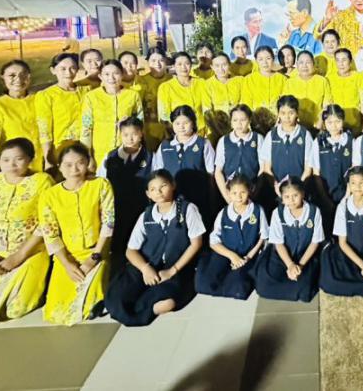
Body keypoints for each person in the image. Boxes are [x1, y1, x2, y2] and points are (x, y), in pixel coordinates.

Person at [0, 138, 54, 324]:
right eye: (5, 160)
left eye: (18, 159)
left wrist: (18, 256)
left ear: (30, 159)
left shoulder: (42, 181)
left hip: (31, 251)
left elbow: (46, 224)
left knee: (15, 308)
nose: (11, 165)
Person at [105, 169, 205, 326]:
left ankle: (139, 310)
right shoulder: (146, 216)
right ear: (148, 194)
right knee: (116, 296)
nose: (158, 192)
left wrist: (172, 271)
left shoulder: (188, 209)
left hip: (175, 269)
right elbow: (131, 251)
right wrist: (145, 269)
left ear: (173, 185)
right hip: (147, 265)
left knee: (168, 301)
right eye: (153, 189)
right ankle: (138, 309)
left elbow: (196, 243)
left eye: (163, 186)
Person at [38, 142, 114, 325]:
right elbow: (50, 233)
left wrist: (94, 258)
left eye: (80, 163)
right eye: (68, 164)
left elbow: (108, 223)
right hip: (67, 256)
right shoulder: (49, 196)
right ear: (60, 167)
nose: (74, 169)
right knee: (55, 312)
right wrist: (67, 263)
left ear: (88, 162)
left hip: (96, 252)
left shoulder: (100, 185)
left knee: (88, 305)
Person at [319, 166, 363, 298]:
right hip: (348, 255)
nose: (357, 187)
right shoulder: (343, 207)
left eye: (361, 183)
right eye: (353, 183)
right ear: (348, 185)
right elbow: (342, 243)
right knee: (328, 284)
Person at [195, 174, 268, 300]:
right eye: (234, 193)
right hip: (225, 252)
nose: (238, 197)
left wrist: (248, 257)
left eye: (243, 192)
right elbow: (213, 241)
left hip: (247, 255)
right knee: (204, 284)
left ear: (250, 190)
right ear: (228, 193)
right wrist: (232, 256)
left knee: (238, 288)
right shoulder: (223, 213)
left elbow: (263, 237)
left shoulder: (258, 211)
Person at [254, 177, 324, 302]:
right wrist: (290, 265)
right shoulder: (277, 213)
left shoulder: (314, 211)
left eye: (295, 195)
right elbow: (278, 244)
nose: (291, 200)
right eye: (286, 197)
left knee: (305, 291)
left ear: (303, 194)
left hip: (305, 256)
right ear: (281, 197)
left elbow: (315, 242)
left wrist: (300, 266)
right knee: (263, 286)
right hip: (283, 255)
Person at [96, 117, 152, 275]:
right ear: (120, 135)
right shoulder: (110, 157)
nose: (130, 138)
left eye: (134, 134)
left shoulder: (150, 157)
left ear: (141, 134)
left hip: (139, 207)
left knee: (137, 243)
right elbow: (100, 181)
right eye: (125, 134)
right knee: (117, 246)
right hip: (116, 208)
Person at [152, 105, 216, 223]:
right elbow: (158, 175)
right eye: (177, 123)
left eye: (185, 123)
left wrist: (211, 200)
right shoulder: (164, 146)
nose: (181, 127)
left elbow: (211, 173)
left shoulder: (203, 144)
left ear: (193, 123)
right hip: (172, 201)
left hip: (198, 200)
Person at [0, 59, 43, 172]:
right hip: (14, 168)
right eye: (12, 75)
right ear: (3, 78)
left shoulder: (40, 99)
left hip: (44, 164)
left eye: (23, 75)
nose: (18, 79)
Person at [81, 59, 144, 169]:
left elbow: (140, 124)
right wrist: (88, 156)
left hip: (127, 151)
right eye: (106, 74)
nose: (111, 78)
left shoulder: (132, 96)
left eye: (116, 73)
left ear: (122, 74)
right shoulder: (91, 97)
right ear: (100, 76)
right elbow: (86, 128)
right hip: (100, 153)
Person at [258, 96, 315, 199]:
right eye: (283, 113)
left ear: (297, 113)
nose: (287, 117)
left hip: (300, 192)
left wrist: (298, 189)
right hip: (277, 192)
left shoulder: (305, 135)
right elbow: (267, 168)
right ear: (278, 114)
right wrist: (276, 187)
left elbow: (308, 169)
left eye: (291, 113)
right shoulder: (271, 135)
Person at [36, 53, 85, 169]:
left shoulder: (85, 90)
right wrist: (48, 158)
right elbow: (44, 129)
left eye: (72, 68)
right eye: (63, 69)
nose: (68, 73)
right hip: (61, 150)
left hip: (85, 147)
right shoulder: (46, 95)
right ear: (53, 70)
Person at [311, 105, 353, 229]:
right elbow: (316, 172)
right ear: (324, 123)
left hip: (346, 193)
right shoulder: (319, 142)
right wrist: (325, 198)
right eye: (329, 122)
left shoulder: (351, 141)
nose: (334, 126)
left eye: (337, 121)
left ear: (343, 121)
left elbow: (354, 170)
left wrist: (347, 196)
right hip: (325, 193)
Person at [215, 104, 263, 203]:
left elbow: (263, 168)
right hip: (231, 192)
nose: (239, 124)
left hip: (252, 190)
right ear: (231, 122)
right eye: (235, 120)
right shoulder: (223, 141)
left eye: (243, 120)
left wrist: (255, 192)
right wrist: (227, 196)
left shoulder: (258, 138)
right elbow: (218, 171)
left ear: (249, 120)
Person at [240, 45, 286, 134]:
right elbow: (246, 103)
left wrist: (280, 119)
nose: (265, 62)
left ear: (273, 59)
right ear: (256, 61)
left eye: (268, 58)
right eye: (260, 59)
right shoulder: (248, 80)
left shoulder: (282, 79)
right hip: (256, 125)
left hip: (279, 124)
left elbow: (285, 103)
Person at [158, 52, 207, 132]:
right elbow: (164, 117)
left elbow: (208, 109)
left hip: (201, 131)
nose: (183, 67)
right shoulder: (165, 87)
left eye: (187, 63)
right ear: (174, 66)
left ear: (191, 65)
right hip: (179, 132)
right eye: (179, 64)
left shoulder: (201, 83)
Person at [283, 51, 332, 130]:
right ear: (297, 65)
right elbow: (285, 106)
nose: (304, 66)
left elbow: (327, 105)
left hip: (318, 125)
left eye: (308, 62)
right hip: (294, 126)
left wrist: (319, 124)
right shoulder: (289, 82)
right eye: (301, 63)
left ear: (313, 64)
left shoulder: (322, 81)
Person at [326, 48, 363, 134]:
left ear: (350, 61)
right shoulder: (329, 79)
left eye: (344, 60)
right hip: (335, 127)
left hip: (355, 124)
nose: (341, 64)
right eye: (338, 60)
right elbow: (328, 103)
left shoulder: (360, 77)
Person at [202, 52, 243, 143]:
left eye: (224, 65)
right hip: (217, 128)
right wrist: (216, 129)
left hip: (239, 126)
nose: (221, 69)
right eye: (217, 66)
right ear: (212, 67)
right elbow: (207, 110)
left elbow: (244, 104)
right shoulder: (207, 85)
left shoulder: (240, 81)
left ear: (229, 65)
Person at [137, 50, 172, 150]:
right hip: (148, 129)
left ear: (166, 61)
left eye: (161, 60)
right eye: (153, 61)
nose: (158, 64)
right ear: (148, 62)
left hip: (170, 128)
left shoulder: (172, 79)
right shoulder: (141, 80)